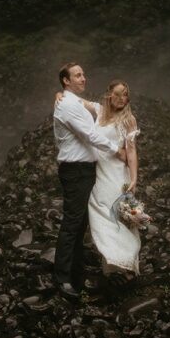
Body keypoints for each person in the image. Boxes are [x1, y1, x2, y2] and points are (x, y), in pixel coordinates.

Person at [52, 62, 126, 301]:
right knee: (72, 223)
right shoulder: (66, 105)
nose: (84, 78)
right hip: (75, 170)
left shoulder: (73, 102)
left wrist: (87, 103)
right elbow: (90, 134)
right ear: (66, 80)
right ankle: (62, 279)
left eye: (84, 74)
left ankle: (76, 274)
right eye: (77, 75)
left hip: (84, 170)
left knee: (80, 223)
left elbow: (99, 111)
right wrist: (117, 150)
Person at [83, 80, 142, 279]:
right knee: (100, 214)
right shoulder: (99, 111)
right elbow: (78, 102)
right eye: (117, 94)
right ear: (109, 94)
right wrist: (61, 95)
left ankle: (123, 259)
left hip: (117, 174)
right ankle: (111, 261)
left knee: (117, 215)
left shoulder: (128, 119)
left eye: (124, 95)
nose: (121, 98)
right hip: (99, 173)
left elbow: (132, 151)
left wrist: (134, 178)